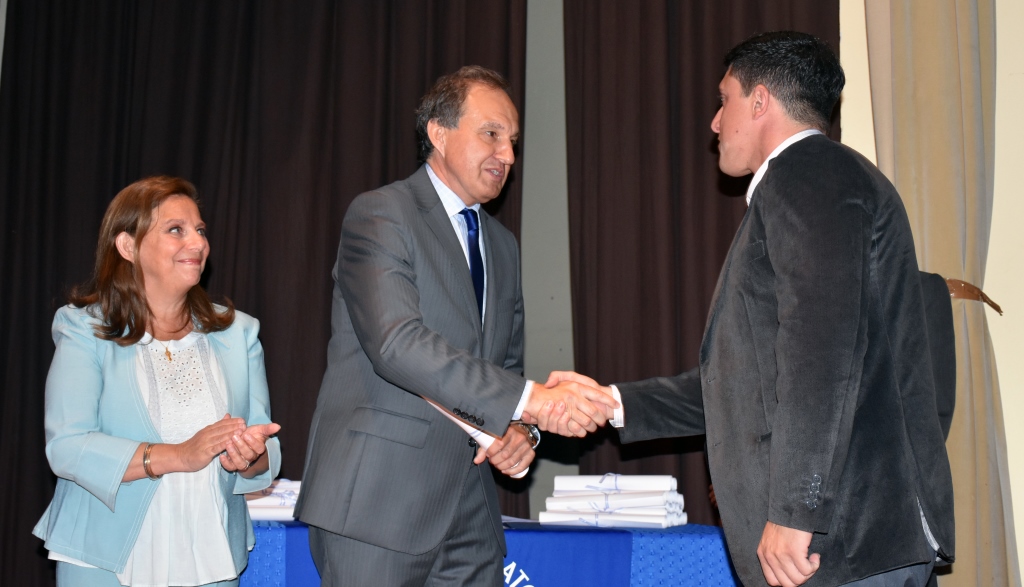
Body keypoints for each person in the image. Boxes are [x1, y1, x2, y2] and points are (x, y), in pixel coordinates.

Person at [539, 33, 955, 587]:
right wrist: (610, 402)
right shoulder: (818, 180)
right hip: (849, 546)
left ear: (759, 101)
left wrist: (795, 511)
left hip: (841, 546)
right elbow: (748, 387)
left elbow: (821, 351)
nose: (714, 122)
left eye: (723, 99)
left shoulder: (808, 172)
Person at [295, 65, 617, 586]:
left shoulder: (503, 248)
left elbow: (504, 369)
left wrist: (518, 432)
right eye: (491, 134)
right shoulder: (380, 215)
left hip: (471, 513)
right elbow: (397, 344)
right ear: (438, 134)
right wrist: (533, 402)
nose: (508, 156)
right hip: (378, 507)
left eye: (513, 141)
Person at [33, 176, 282, 587]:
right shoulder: (84, 330)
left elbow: (263, 451)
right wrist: (180, 455)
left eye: (200, 230)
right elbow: (67, 447)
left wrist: (248, 455)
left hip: (210, 556)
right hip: (105, 559)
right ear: (128, 246)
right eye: (175, 230)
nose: (198, 243)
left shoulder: (239, 334)